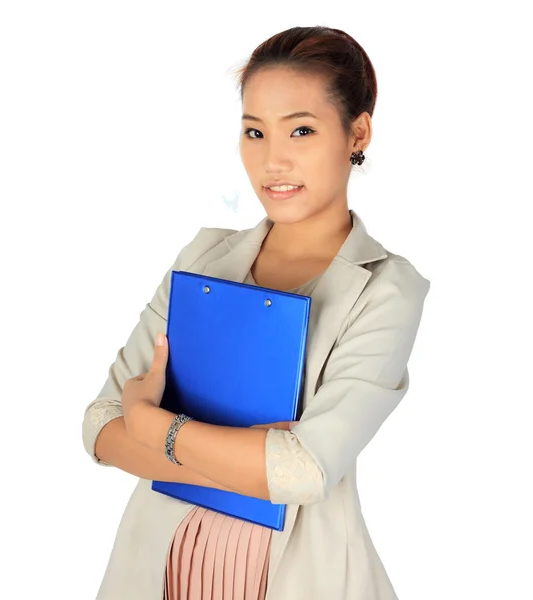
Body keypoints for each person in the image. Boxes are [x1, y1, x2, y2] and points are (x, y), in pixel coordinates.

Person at [82, 25, 431, 600]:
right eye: (254, 131)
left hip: (296, 574)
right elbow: (99, 426)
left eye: (301, 130)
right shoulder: (203, 257)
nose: (273, 160)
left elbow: (306, 471)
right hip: (160, 562)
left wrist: (153, 428)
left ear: (357, 131)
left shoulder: (387, 289)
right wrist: (250, 460)